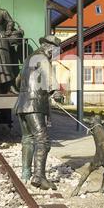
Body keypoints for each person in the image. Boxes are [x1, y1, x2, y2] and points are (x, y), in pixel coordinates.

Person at [14, 35, 63, 190]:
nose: (55, 54)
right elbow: (50, 77)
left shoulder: (29, 59)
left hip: (21, 104)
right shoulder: (42, 58)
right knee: (42, 140)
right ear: (50, 47)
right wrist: (56, 92)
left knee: (27, 138)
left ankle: (26, 173)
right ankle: (39, 176)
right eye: (55, 51)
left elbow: (17, 80)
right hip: (35, 104)